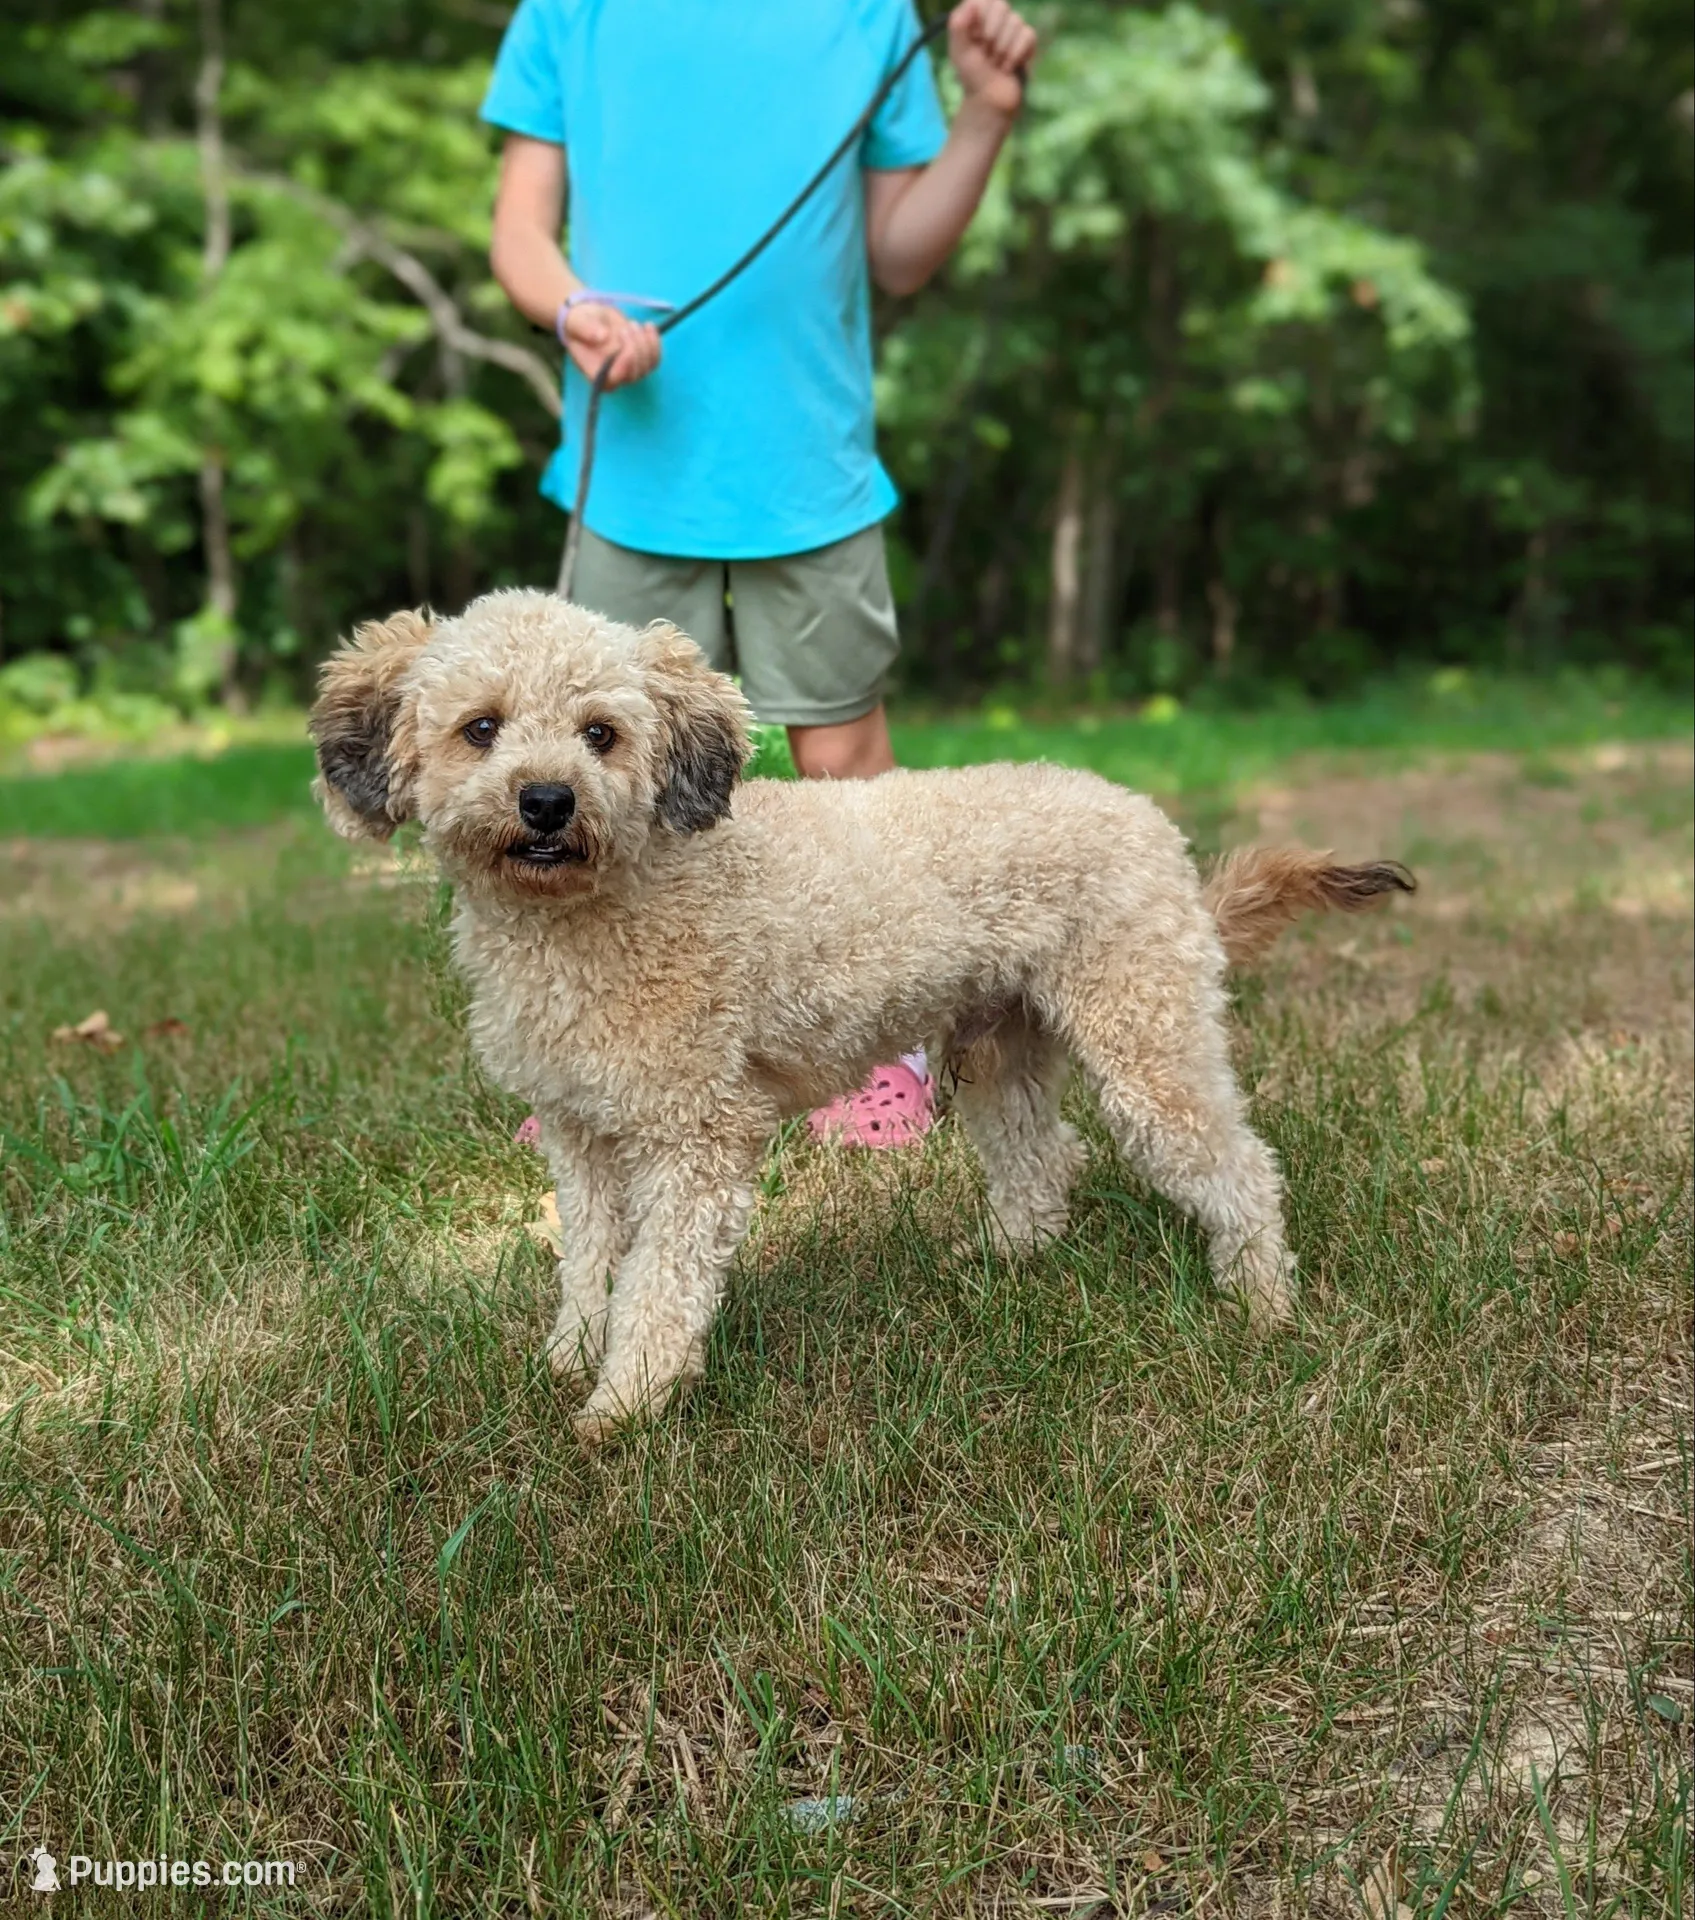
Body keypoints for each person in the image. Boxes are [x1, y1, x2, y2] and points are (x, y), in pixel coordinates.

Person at [483, 0, 1038, 1146]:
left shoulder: (872, 20)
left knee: (844, 762)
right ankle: (611, 1049)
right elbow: (519, 234)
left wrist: (985, 111)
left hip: (808, 471)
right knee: (602, 775)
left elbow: (900, 252)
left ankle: (886, 1049)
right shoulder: (570, 16)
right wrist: (572, 305)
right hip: (629, 474)